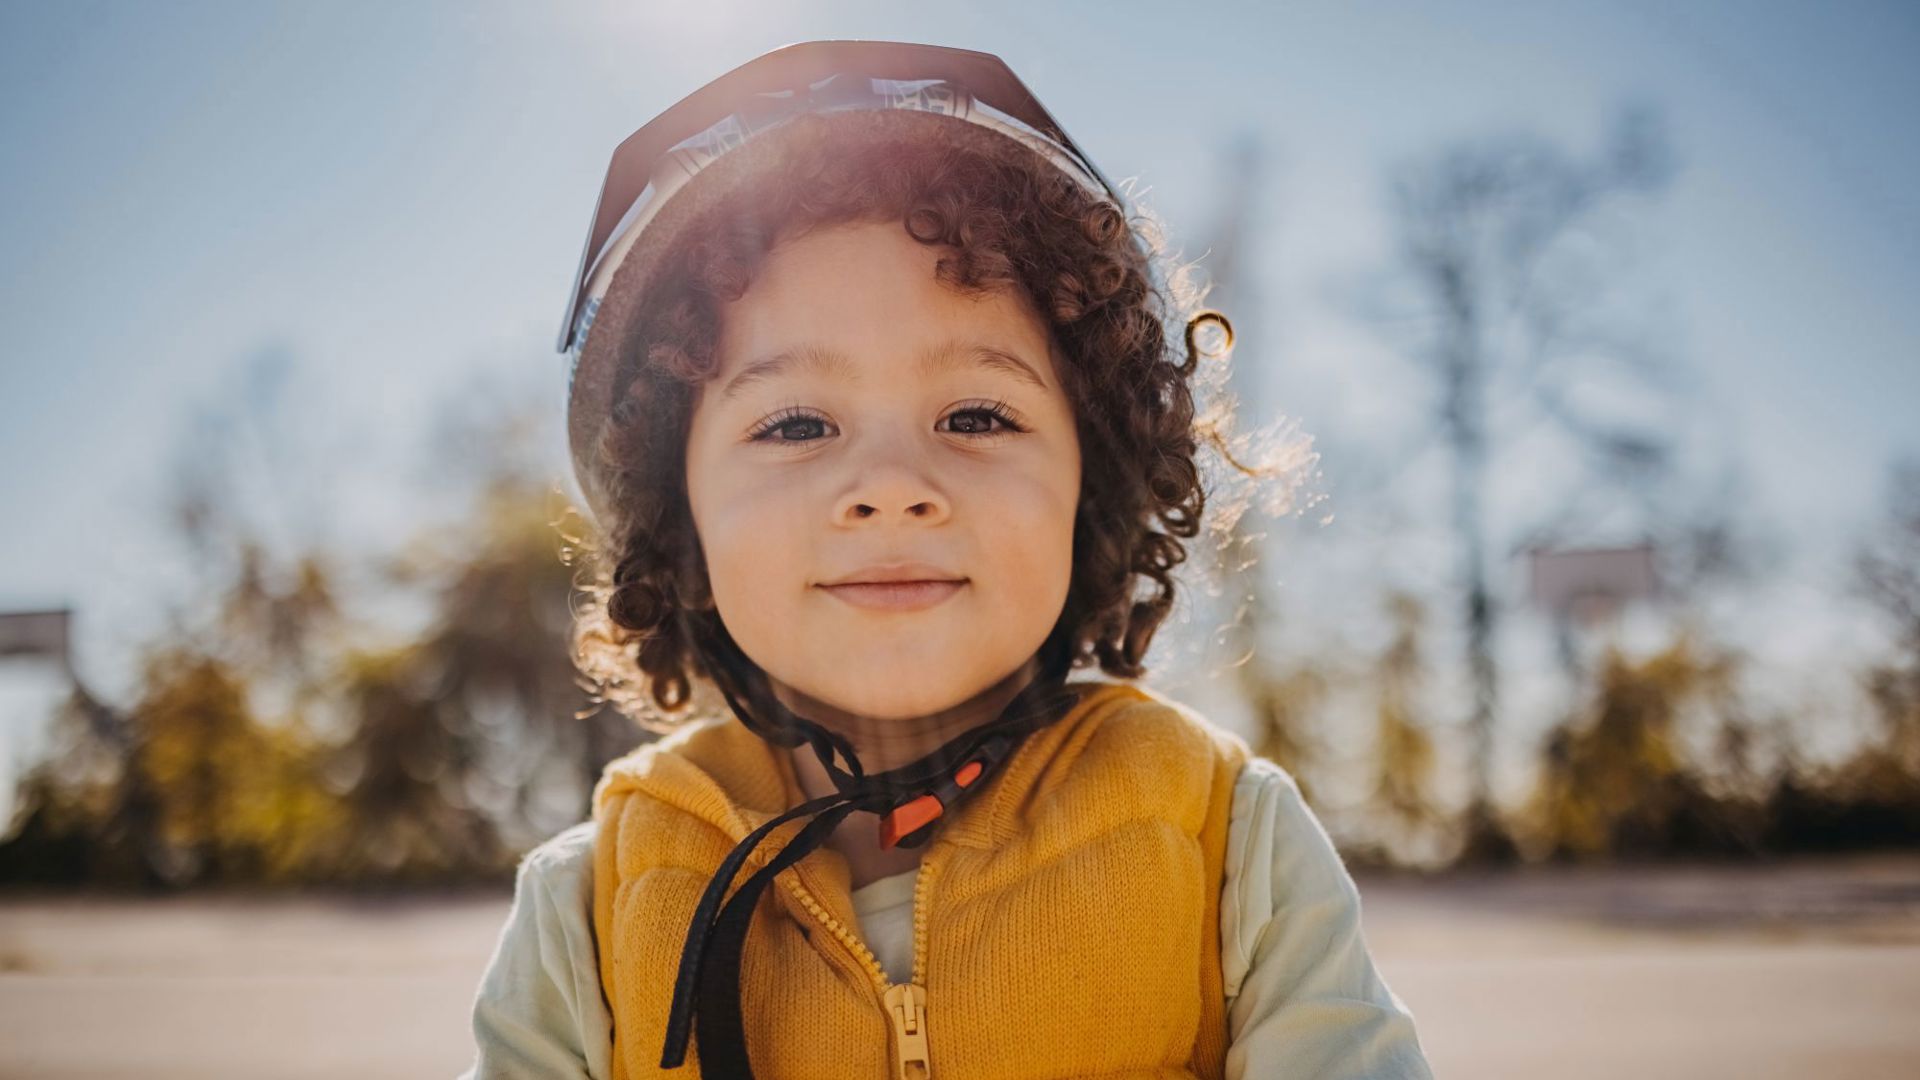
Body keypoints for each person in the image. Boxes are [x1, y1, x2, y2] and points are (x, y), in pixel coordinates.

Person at [461, 40, 1432, 1079]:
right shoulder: (595, 903)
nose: (888, 483)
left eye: (975, 412)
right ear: (680, 519)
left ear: (1090, 487)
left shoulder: (1226, 838)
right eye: (793, 424)